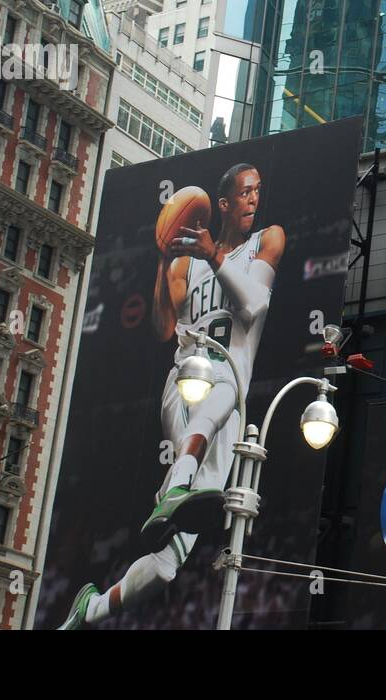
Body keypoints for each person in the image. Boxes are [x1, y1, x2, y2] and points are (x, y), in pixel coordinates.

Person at [59, 164, 285, 629]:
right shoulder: (186, 262)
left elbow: (255, 304)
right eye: (244, 193)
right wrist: (163, 263)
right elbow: (163, 327)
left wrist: (216, 258)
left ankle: (91, 609)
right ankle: (179, 481)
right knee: (223, 380)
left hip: (225, 413)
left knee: (168, 564)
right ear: (222, 204)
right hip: (190, 381)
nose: (253, 200)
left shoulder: (268, 239)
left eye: (258, 192)